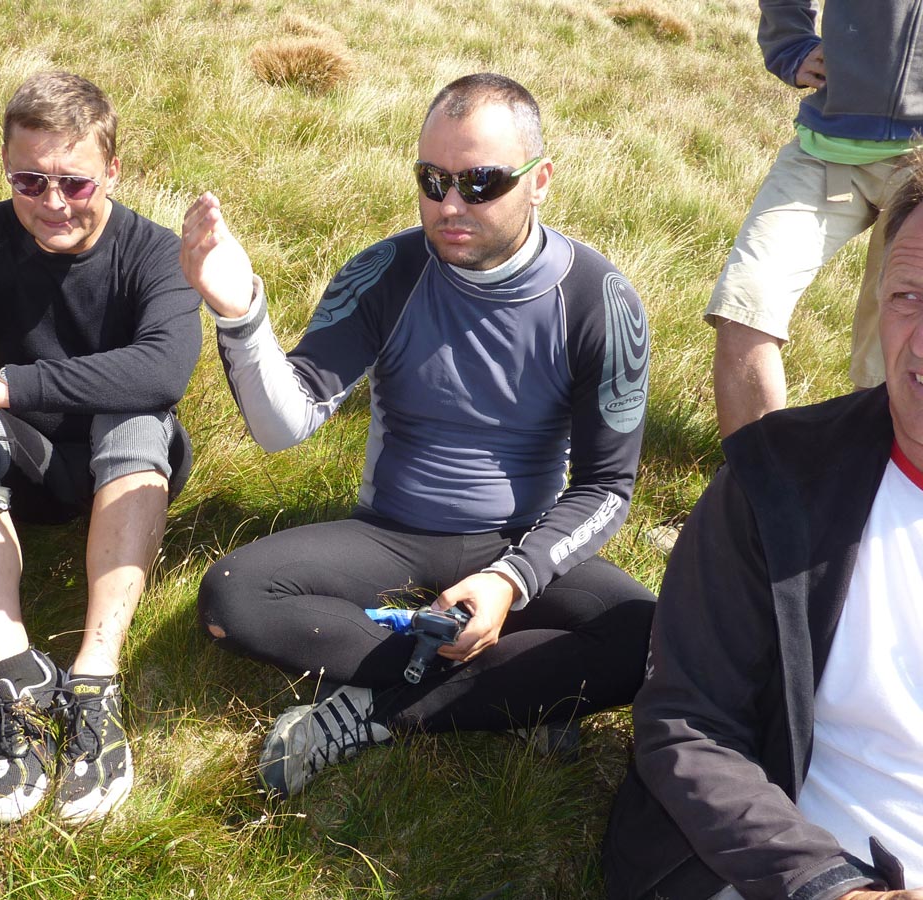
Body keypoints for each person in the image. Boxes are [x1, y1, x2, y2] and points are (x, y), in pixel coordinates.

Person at [180, 72, 657, 799]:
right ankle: (517, 692)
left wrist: (510, 580)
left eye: (481, 182)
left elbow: (607, 487)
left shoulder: (599, 300)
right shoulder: (387, 271)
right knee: (234, 597)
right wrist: (241, 316)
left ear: (541, 181)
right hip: (392, 536)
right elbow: (285, 425)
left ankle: (375, 711)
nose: (450, 205)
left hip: (519, 541)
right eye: (432, 181)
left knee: (650, 635)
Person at [0, 71, 201, 825]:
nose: (53, 202)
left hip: (128, 461)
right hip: (18, 462)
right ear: (4, 166)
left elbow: (164, 368)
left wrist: (0, 386)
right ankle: (15, 674)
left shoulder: (154, 253)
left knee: (136, 413)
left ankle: (95, 680)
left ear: (113, 170)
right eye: (29, 181)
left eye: (75, 183)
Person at [603, 160, 923, 900]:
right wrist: (830, 887)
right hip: (784, 871)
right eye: (908, 296)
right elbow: (688, 720)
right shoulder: (775, 478)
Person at [710, 0, 923, 439]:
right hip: (826, 147)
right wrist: (789, 42)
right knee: (745, 303)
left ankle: (878, 473)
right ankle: (754, 475)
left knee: (898, 346)